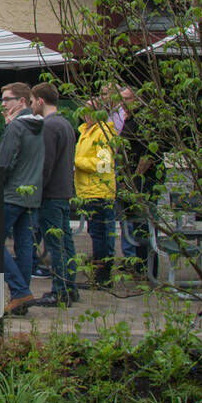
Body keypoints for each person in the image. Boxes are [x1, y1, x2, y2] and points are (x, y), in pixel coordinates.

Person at [0, 82, 45, 316]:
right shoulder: (42, 126)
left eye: (7, 99)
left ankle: (19, 291)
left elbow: (4, 164)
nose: (3, 104)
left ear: (22, 102)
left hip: (10, 194)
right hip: (32, 195)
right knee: (25, 246)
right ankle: (22, 298)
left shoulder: (16, 128)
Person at [30, 82, 78, 306]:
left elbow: (45, 163)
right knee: (66, 242)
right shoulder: (66, 124)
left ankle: (60, 291)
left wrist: (36, 191)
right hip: (64, 191)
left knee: (54, 244)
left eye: (31, 101)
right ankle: (71, 287)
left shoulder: (48, 126)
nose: (31, 105)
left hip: (50, 194)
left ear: (40, 100)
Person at [74, 97, 119, 287]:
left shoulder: (103, 133)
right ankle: (99, 274)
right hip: (87, 191)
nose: (85, 114)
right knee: (96, 233)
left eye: (89, 110)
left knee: (101, 234)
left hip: (99, 192)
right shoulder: (86, 131)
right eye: (84, 110)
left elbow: (103, 164)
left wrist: (77, 162)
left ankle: (103, 278)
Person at [117, 87, 160, 273]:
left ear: (138, 100)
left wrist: (135, 179)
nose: (122, 103)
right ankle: (138, 263)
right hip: (129, 179)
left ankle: (148, 268)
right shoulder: (130, 118)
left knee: (144, 224)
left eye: (126, 99)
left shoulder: (146, 121)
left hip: (143, 181)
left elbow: (148, 154)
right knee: (134, 223)